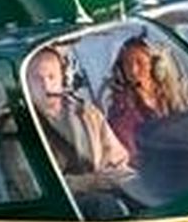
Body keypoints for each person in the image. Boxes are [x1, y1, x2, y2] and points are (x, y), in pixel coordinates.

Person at [30, 46, 131, 178]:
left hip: (104, 192)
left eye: (51, 77)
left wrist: (121, 175)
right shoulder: (18, 123)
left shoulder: (88, 113)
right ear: (27, 83)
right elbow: (29, 181)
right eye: (37, 79)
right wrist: (88, 183)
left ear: (63, 78)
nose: (46, 86)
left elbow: (117, 157)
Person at [106, 34, 183, 162]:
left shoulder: (172, 97)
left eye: (139, 62)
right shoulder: (120, 109)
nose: (133, 70)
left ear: (155, 66)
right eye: (127, 64)